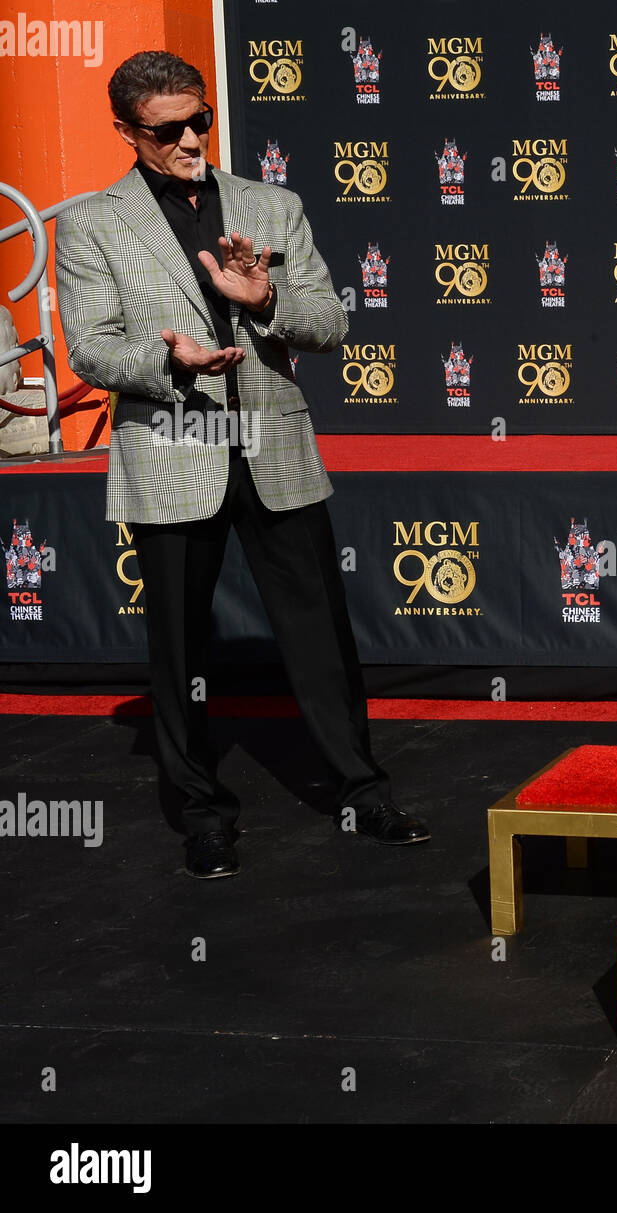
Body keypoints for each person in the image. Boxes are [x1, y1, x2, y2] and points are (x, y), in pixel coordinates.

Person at [55, 51, 430, 878]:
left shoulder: (272, 203)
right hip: (170, 446)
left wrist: (267, 303)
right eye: (168, 128)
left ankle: (363, 792)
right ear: (126, 131)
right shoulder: (89, 221)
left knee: (322, 635)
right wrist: (174, 363)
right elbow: (90, 348)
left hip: (274, 444)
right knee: (181, 649)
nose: (191, 138)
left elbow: (329, 321)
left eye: (202, 120)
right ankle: (202, 814)